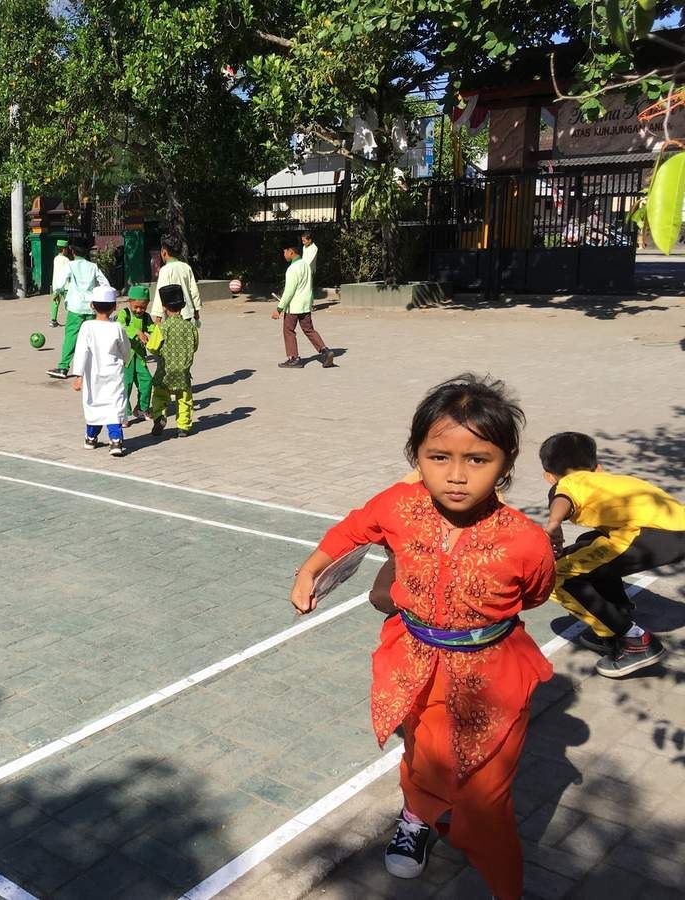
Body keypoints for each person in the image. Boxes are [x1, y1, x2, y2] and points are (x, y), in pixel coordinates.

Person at [289, 375, 555, 900]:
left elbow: (535, 594)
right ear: (417, 456)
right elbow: (353, 529)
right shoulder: (398, 505)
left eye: (477, 459)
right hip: (412, 661)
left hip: (491, 678)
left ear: (506, 462)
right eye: (438, 457)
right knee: (420, 753)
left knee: (485, 796)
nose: (456, 475)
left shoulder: (527, 541)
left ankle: (502, 881)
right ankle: (417, 816)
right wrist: (310, 568)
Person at [540, 431, 685, 677]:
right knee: (588, 543)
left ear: (549, 476)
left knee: (557, 575)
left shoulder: (569, 483)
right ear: (598, 467)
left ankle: (635, 641)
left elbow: (563, 497)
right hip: (675, 531)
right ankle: (614, 618)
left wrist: (553, 523)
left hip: (646, 536)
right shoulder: (613, 480)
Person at [71, 285, 131, 457]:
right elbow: (126, 349)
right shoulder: (117, 327)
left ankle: (90, 438)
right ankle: (116, 441)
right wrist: (125, 359)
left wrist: (78, 375)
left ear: (92, 305)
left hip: (93, 375)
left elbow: (81, 351)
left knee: (94, 407)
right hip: (114, 375)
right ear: (114, 307)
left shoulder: (87, 326)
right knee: (114, 407)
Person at [47, 241, 110, 379]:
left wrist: (58, 291)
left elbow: (59, 283)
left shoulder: (70, 265)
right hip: (91, 307)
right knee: (91, 338)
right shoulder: (93, 266)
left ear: (73, 252)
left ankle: (63, 367)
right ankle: (95, 367)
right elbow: (105, 284)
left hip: (75, 307)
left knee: (71, 336)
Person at [147, 284, 199, 438]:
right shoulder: (190, 327)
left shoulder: (162, 327)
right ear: (182, 306)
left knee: (159, 396)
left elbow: (152, 347)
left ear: (164, 307)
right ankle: (183, 427)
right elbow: (195, 346)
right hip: (183, 371)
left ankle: (159, 417)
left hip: (165, 371)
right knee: (184, 399)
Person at [272, 243, 334, 369]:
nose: (284, 255)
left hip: (293, 307)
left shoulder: (292, 269)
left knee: (288, 330)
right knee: (309, 330)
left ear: (291, 252)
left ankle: (294, 358)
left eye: (284, 252)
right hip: (305, 305)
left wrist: (279, 309)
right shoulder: (306, 265)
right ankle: (325, 351)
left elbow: (289, 291)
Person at [119, 284, 154, 424]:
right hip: (125, 357)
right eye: (136, 307)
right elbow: (120, 326)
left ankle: (141, 408)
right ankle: (123, 414)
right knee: (125, 385)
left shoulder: (146, 317)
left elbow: (152, 329)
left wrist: (158, 334)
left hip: (139, 356)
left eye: (143, 307)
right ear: (130, 302)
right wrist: (137, 332)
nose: (139, 310)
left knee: (147, 381)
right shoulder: (124, 314)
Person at [149, 238, 201, 325]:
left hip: (172, 314)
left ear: (164, 252)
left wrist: (158, 318)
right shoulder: (186, 267)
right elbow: (194, 291)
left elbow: (160, 293)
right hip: (187, 313)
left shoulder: (165, 270)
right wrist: (196, 312)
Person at [49, 238, 71, 327]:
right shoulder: (66, 260)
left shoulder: (56, 259)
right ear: (64, 249)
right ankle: (70, 320)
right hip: (65, 286)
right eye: (66, 249)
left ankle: (53, 320)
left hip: (56, 286)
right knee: (68, 303)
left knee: (55, 302)